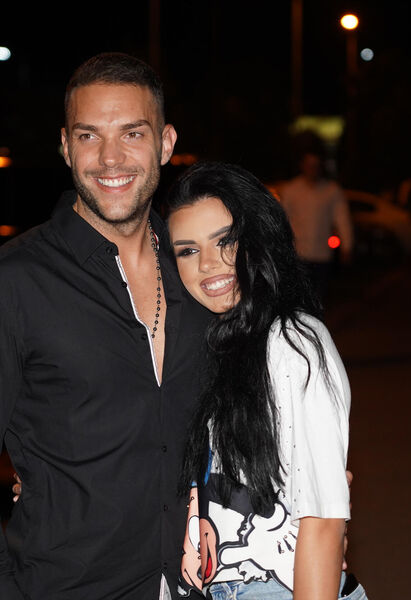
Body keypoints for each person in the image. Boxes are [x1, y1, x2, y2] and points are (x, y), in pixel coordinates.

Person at [0, 52, 213, 599]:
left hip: (197, 585)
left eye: (132, 134)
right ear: (65, 146)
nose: (110, 158)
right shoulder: (16, 281)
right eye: (89, 136)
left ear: (165, 143)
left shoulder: (199, 273)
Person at [165, 162, 367, 600]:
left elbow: (322, 521)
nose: (209, 264)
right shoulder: (210, 349)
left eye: (226, 241)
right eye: (188, 250)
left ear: (257, 238)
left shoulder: (293, 341)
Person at [279, 143, 354, 304]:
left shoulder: (332, 190)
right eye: (309, 165)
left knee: (318, 297)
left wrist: (347, 246)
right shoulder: (291, 190)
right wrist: (281, 248)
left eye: (316, 165)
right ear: (302, 166)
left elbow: (342, 218)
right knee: (299, 298)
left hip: (322, 255)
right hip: (298, 254)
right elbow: (282, 220)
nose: (312, 169)